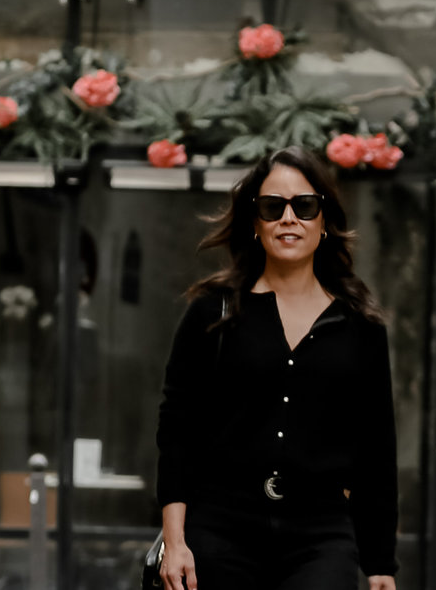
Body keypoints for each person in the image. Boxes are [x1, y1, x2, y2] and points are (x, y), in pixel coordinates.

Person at [155, 146, 398, 590]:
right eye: (273, 207)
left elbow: (377, 449)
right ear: (255, 222)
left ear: (324, 222)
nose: (289, 218)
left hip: (320, 535)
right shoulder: (213, 311)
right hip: (221, 530)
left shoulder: (359, 325)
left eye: (304, 206)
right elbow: (177, 431)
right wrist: (176, 541)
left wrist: (380, 563)